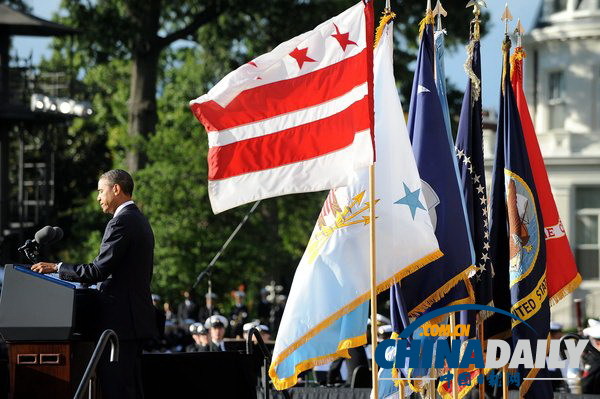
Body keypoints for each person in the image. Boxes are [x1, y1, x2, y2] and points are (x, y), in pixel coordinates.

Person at [31, 169, 156, 399]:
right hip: (132, 321)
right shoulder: (139, 219)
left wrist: (56, 268)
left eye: (101, 191)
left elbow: (97, 271)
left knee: (116, 391)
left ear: (116, 189)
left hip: (120, 324)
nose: (98, 197)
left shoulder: (121, 222)